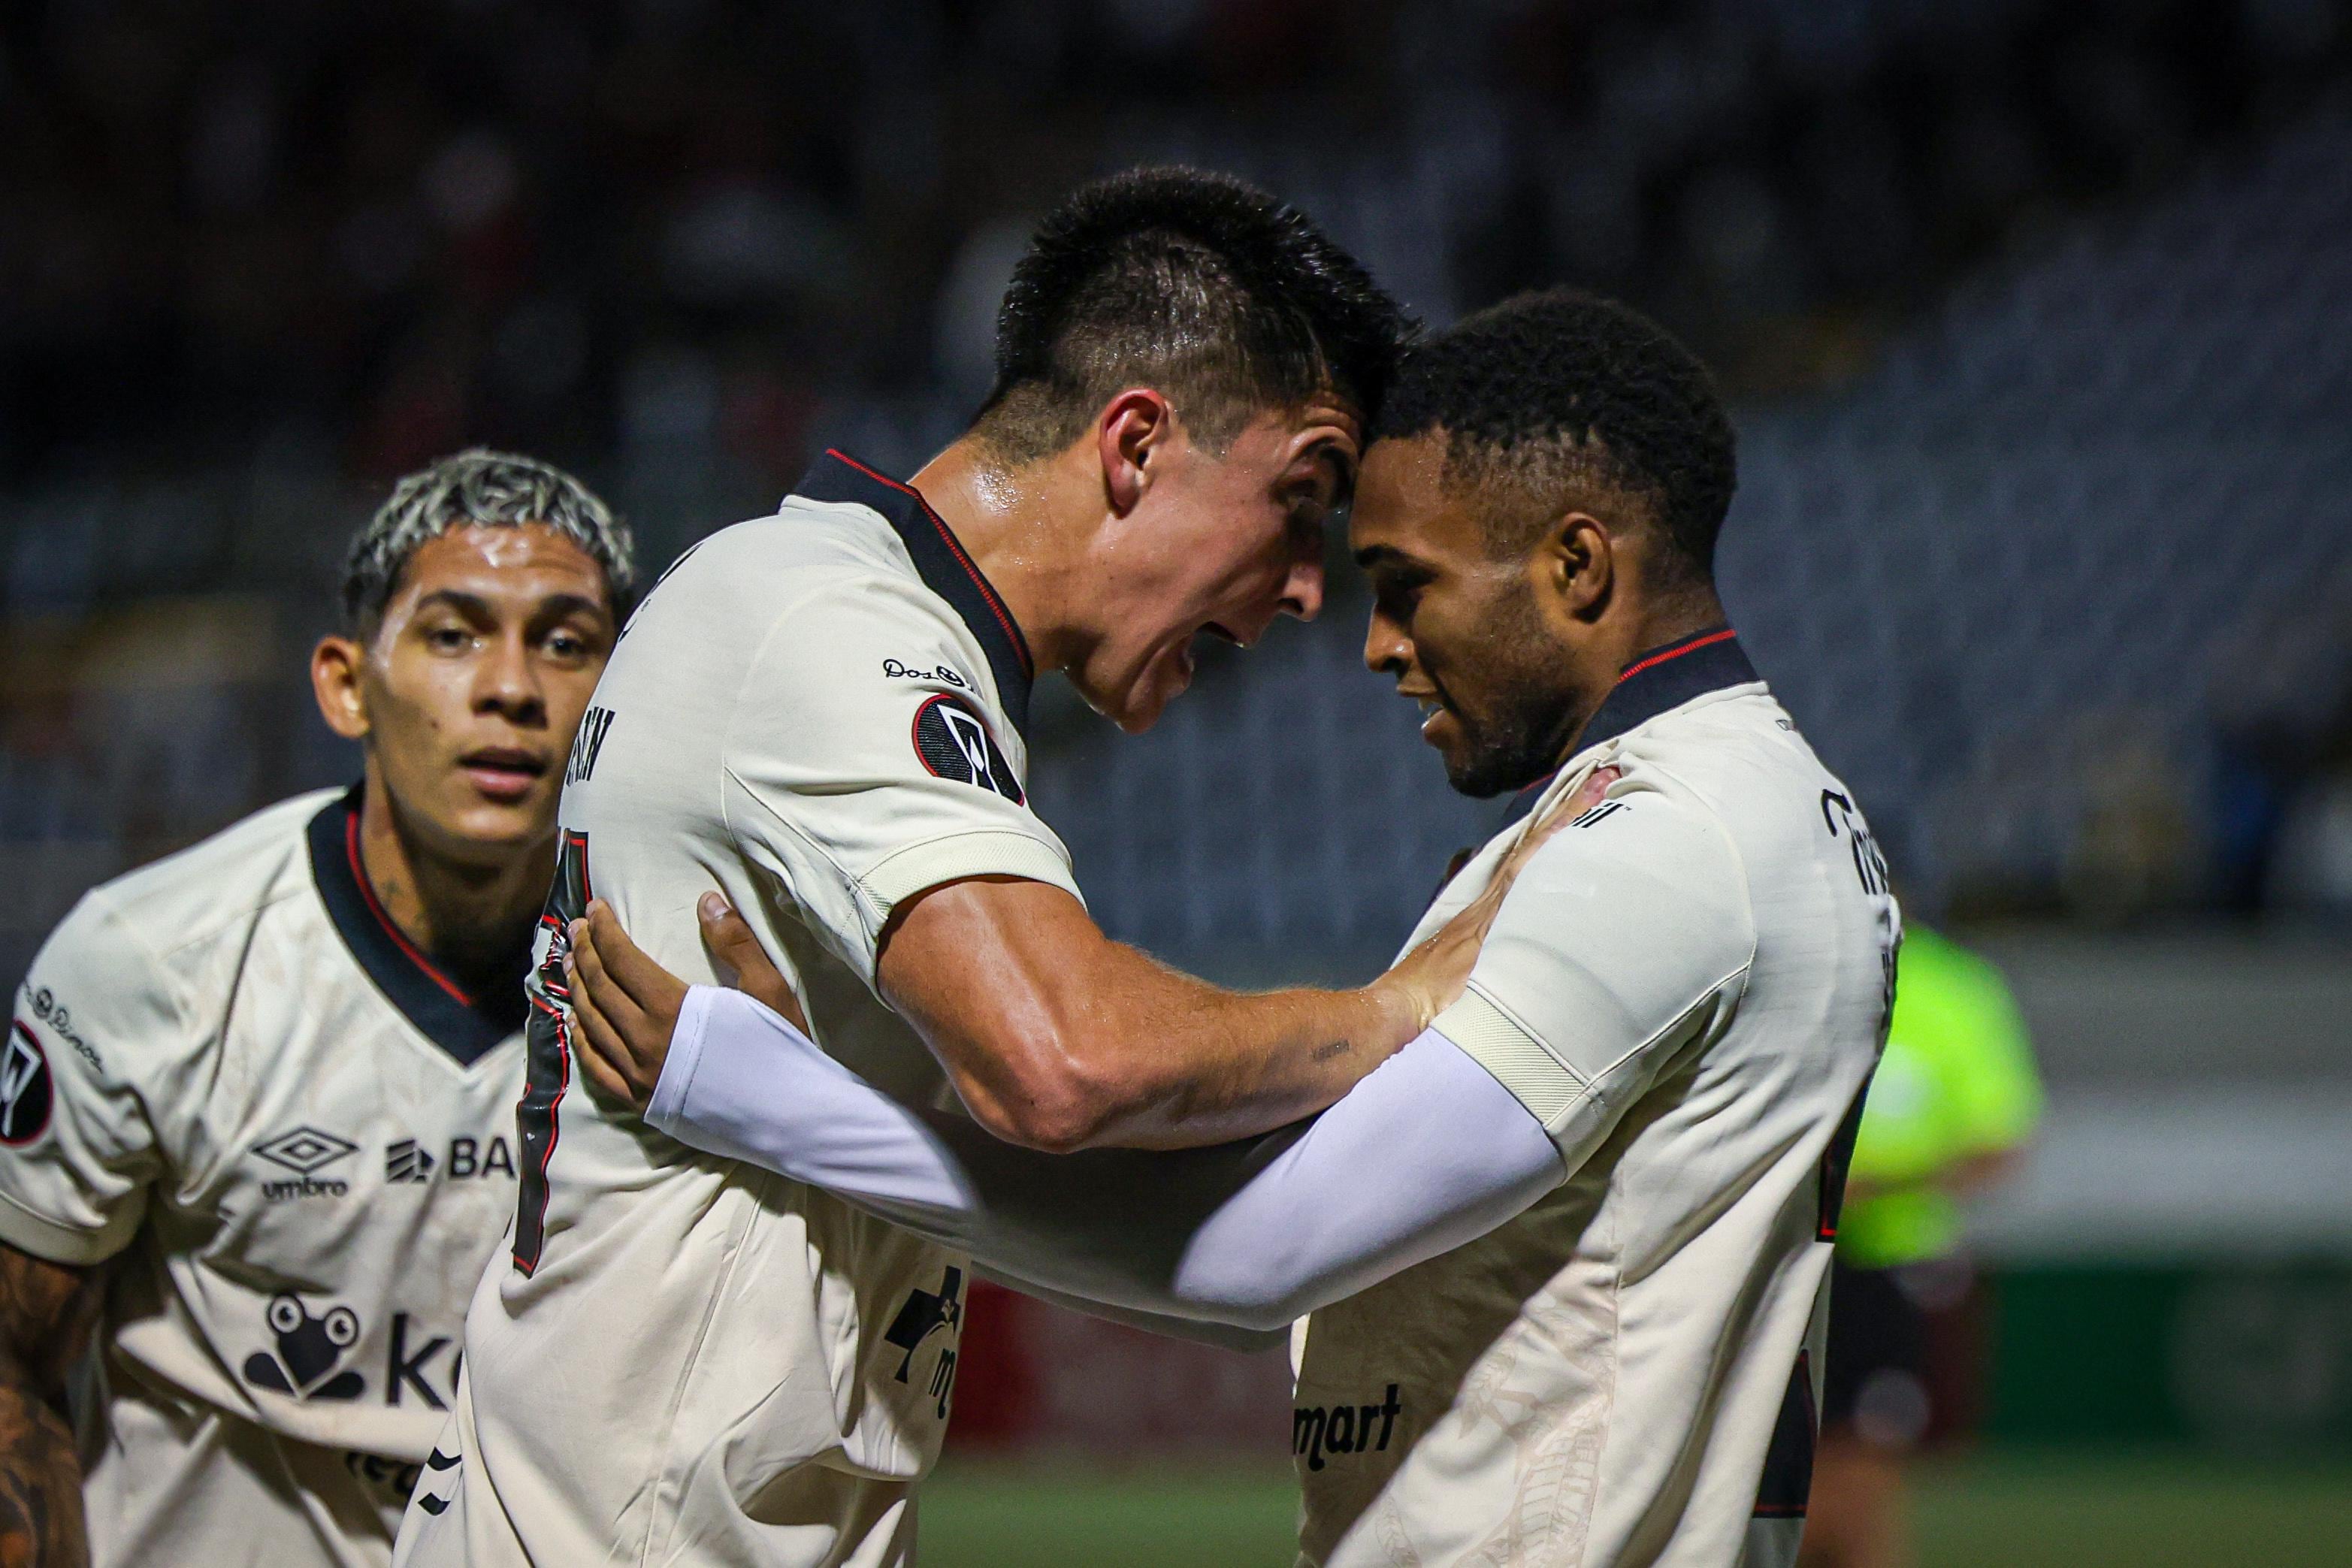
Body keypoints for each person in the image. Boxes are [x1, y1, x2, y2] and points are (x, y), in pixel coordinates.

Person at [559, 289, 1903, 1567]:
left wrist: (787, 1100)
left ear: (1575, 564)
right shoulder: (1698, 810)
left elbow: (1254, 1251)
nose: (1373, 643)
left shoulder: (1676, 837)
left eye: (1405, 581)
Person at [394, 167, 1558, 1568]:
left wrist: (797, 1095)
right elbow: (1067, 1061)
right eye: (1298, 501)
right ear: (1135, 444)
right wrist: (1397, 1013)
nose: (1307, 591)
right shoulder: (830, 629)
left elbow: (1061, 1162)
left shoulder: (832, 619)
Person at [0, 450, 633, 1567]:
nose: (511, 687)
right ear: (347, 683)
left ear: (621, 698)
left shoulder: (687, 980)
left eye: (566, 642)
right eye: (453, 633)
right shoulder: (151, 964)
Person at [1800, 923, 2042, 1568]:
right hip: (1788, 1265)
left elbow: (1999, 1145)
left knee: (1860, 1473)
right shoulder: (1788, 964)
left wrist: (1873, 1189)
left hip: (1888, 1269)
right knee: (1796, 1477)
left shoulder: (1951, 987)